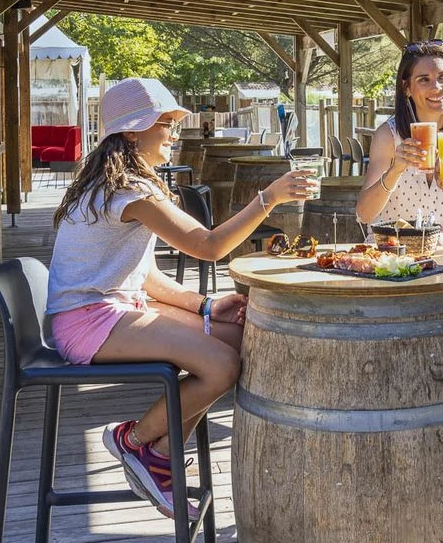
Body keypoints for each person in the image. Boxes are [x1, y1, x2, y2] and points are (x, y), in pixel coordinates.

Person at [46, 77, 316, 519]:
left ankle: (159, 456)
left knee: (238, 337)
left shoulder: (116, 182)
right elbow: (208, 246)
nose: (175, 133)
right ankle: (135, 443)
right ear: (132, 132)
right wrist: (268, 198)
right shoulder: (129, 190)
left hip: (112, 310)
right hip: (87, 322)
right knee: (223, 365)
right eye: (166, 124)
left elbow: (145, 275)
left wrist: (204, 305)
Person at [357, 39, 443, 248]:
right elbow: (364, 214)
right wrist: (395, 170)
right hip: (389, 254)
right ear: (407, 88)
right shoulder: (389, 136)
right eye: (424, 79)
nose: (437, 87)